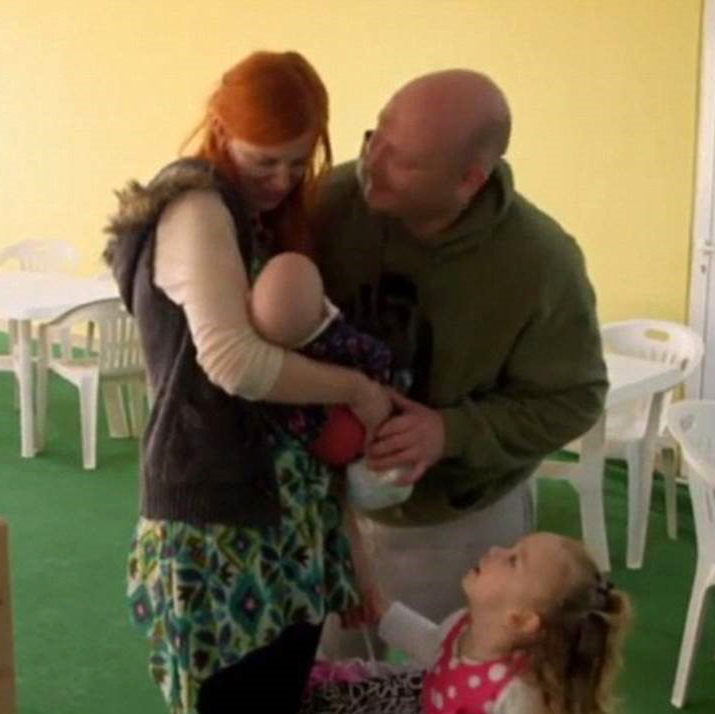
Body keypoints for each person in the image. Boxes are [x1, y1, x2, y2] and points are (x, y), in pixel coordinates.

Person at [103, 50, 391, 714]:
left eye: (300, 160)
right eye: (265, 161)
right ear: (221, 129)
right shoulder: (196, 205)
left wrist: (345, 541)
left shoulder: (256, 215)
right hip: (218, 522)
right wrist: (357, 390)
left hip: (285, 518)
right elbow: (233, 363)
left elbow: (293, 422)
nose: (284, 179)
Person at [315, 69, 609, 656]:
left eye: (404, 162)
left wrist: (449, 431)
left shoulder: (541, 262)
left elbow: (576, 397)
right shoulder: (329, 204)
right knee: (320, 676)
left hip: (456, 525)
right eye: (375, 138)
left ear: (469, 180)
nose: (372, 163)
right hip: (324, 508)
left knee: (454, 680)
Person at [303, 532, 631, 714]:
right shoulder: (462, 626)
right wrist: (383, 613)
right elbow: (432, 644)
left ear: (521, 618)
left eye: (513, 561)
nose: (495, 550)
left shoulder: (519, 697)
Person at [248, 250, 413, 510]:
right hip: (348, 445)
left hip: (334, 447)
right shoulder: (348, 342)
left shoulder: (288, 359)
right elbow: (383, 367)